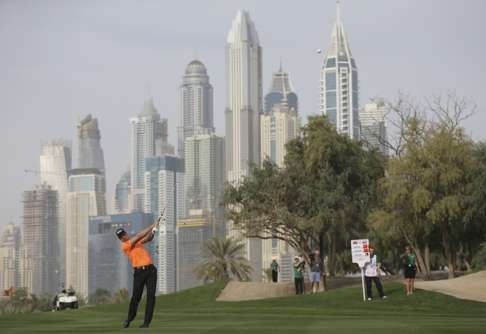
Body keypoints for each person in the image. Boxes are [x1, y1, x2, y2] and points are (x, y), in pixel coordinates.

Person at [116, 221, 158, 329]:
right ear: (120, 239)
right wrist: (151, 225)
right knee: (136, 297)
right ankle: (129, 318)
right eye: (121, 237)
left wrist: (153, 231)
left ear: (126, 233)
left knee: (151, 297)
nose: (123, 237)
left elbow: (148, 238)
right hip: (139, 273)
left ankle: (146, 323)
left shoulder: (137, 242)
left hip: (151, 270)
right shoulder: (125, 246)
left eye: (124, 234)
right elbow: (140, 235)